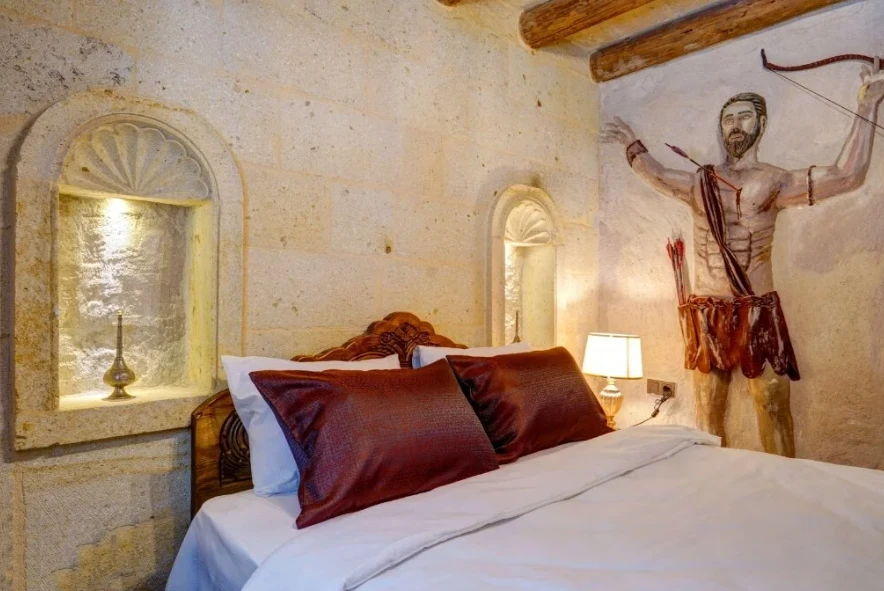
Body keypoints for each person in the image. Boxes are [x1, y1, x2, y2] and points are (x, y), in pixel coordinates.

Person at [601, 59, 884, 456]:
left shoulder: (774, 180)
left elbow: (846, 175)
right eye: (728, 119)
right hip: (707, 309)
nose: (735, 125)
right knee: (708, 412)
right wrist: (631, 143)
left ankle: (781, 482)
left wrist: (868, 105)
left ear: (760, 124)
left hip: (756, 309)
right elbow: (658, 174)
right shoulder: (699, 181)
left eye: (744, 117)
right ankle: (713, 484)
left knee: (771, 403)